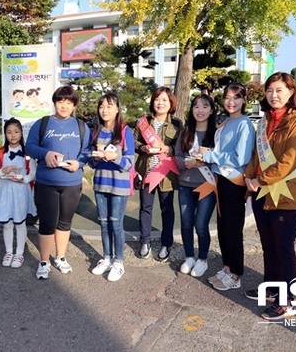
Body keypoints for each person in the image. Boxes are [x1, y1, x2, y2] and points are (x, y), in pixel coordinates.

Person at [243, 72, 296, 321]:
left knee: (283, 248)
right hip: (262, 193)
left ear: (292, 92)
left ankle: (287, 301)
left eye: (280, 90)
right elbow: (255, 156)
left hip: (286, 196)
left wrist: (258, 180)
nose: (274, 95)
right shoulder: (265, 119)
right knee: (268, 245)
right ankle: (271, 289)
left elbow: (288, 161)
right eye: (270, 90)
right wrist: (248, 180)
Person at [26, 86, 90, 280]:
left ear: (74, 106)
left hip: (71, 183)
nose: (64, 106)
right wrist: (45, 153)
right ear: (55, 102)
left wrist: (79, 163)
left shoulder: (81, 126)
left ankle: (60, 257)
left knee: (64, 223)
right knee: (47, 223)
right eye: (61, 101)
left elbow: (86, 152)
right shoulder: (42, 123)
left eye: (69, 103)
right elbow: (29, 147)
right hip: (46, 182)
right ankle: (44, 261)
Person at [201, 82, 255, 291]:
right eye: (227, 97)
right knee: (223, 227)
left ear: (243, 100)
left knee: (233, 229)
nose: (231, 102)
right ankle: (226, 267)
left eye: (236, 97)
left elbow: (240, 157)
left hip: (234, 182)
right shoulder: (224, 123)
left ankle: (236, 274)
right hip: (220, 179)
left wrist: (210, 155)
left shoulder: (244, 124)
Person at [88, 93, 134, 281]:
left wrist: (114, 157)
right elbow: (91, 163)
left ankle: (118, 262)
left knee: (116, 223)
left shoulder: (124, 131)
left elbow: (130, 163)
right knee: (104, 223)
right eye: (101, 106)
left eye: (109, 106)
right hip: (100, 183)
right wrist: (95, 157)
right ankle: (106, 258)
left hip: (119, 185)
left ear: (117, 109)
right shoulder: (96, 132)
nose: (104, 110)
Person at [133, 86, 182, 261]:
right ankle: (145, 241)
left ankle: (165, 243)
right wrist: (142, 147)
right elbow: (135, 142)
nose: (160, 103)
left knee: (167, 209)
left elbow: (180, 147)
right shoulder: (143, 122)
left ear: (171, 104)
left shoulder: (177, 124)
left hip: (166, 174)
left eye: (164, 100)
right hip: (147, 171)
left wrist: (168, 148)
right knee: (145, 208)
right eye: (157, 99)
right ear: (152, 102)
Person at [175, 95, 218, 278]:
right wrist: (186, 163)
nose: (200, 110)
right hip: (185, 185)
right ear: (191, 110)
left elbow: (220, 159)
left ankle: (202, 259)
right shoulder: (186, 132)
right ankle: (189, 256)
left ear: (211, 110)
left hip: (207, 186)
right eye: (196, 106)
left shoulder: (216, 134)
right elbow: (176, 157)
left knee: (201, 225)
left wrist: (207, 160)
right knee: (186, 223)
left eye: (205, 106)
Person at [0, 118, 37, 268]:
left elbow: (33, 174)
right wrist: (3, 170)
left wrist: (23, 179)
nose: (13, 135)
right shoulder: (0, 152)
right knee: (7, 224)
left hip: (21, 191)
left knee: (20, 223)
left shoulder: (28, 153)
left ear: (21, 133)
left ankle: (19, 253)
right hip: (5, 191)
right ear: (5, 134)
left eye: (16, 132)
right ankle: (8, 251)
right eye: (9, 132)